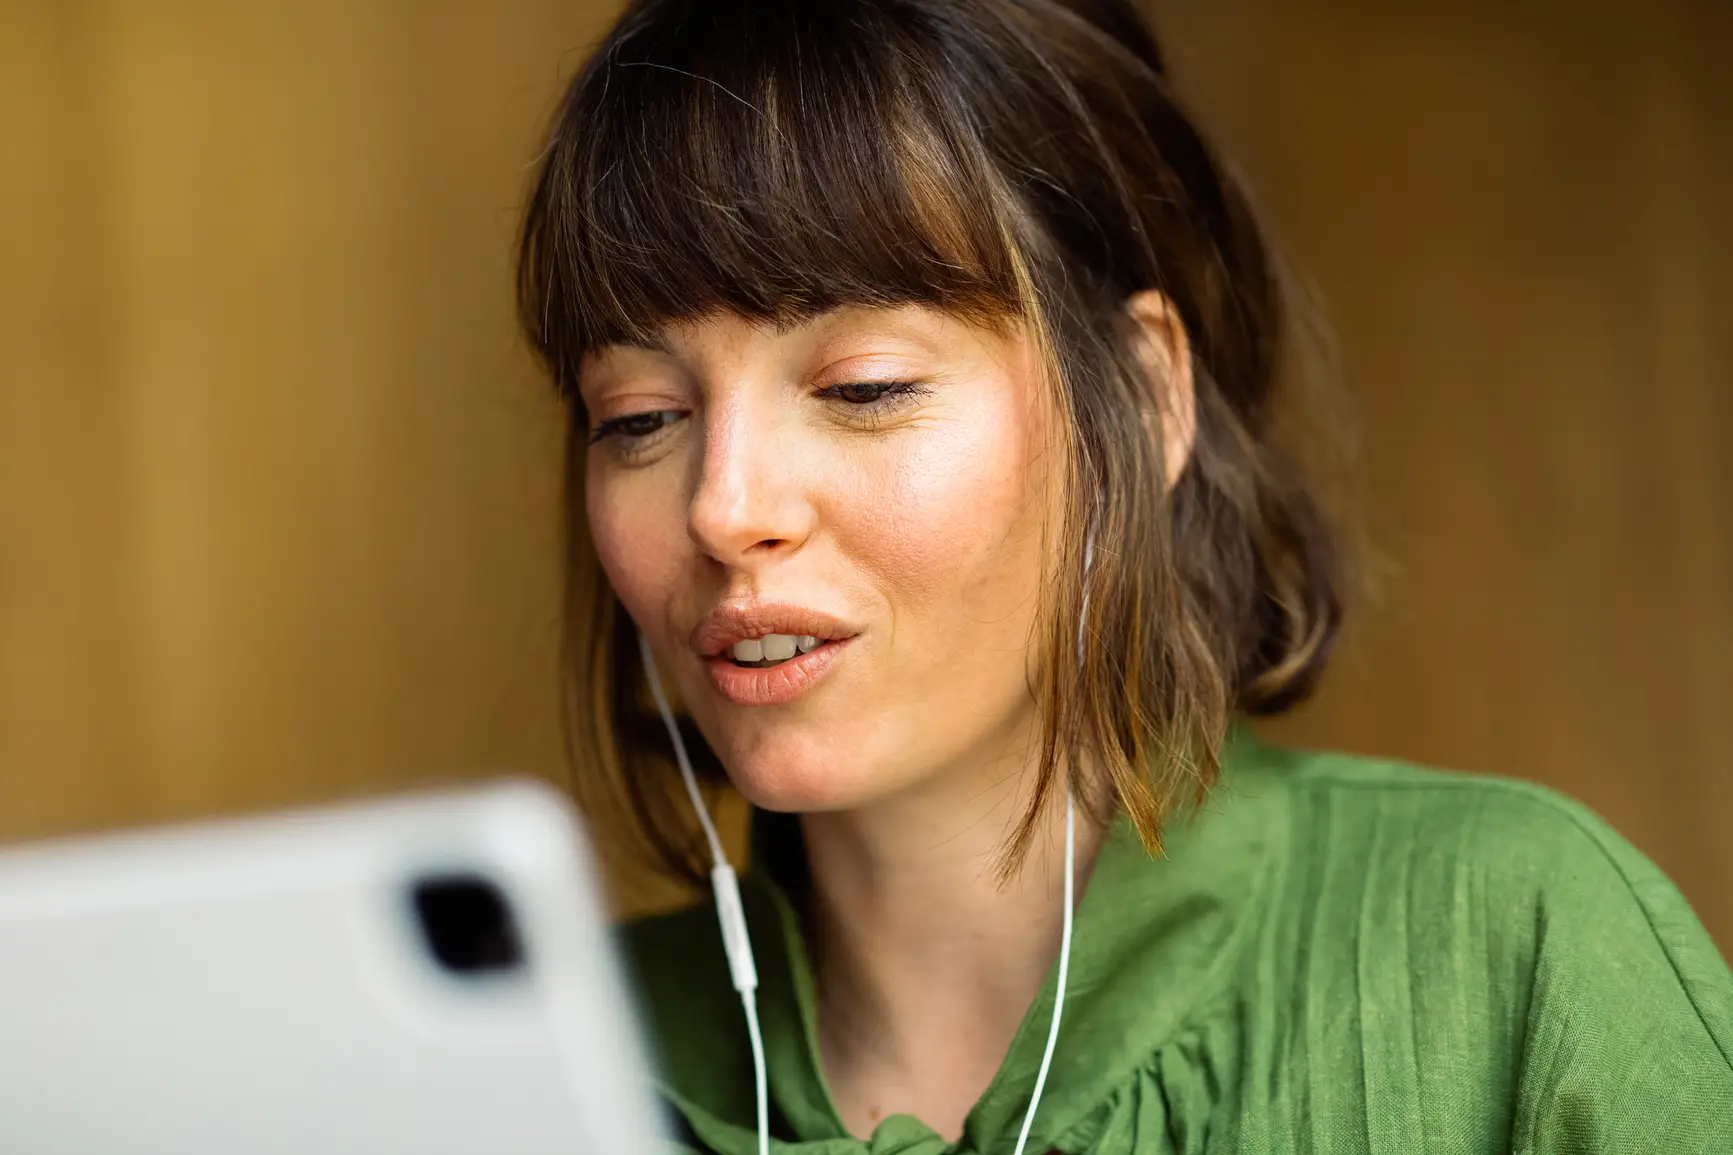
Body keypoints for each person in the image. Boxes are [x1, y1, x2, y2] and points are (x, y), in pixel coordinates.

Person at [516, 1, 1733, 1151]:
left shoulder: (1514, 949)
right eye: (638, 417)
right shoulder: (524, 1063)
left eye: (863, 390)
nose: (724, 511)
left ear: (1145, 396)